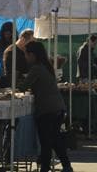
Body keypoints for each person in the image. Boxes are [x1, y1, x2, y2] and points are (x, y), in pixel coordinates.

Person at [20, 41, 72, 172]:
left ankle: (45, 167)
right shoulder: (46, 66)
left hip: (47, 109)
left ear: (32, 55)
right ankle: (65, 166)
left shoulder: (36, 68)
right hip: (57, 107)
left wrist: (15, 79)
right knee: (54, 139)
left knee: (46, 141)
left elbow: (22, 87)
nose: (25, 58)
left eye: (26, 55)